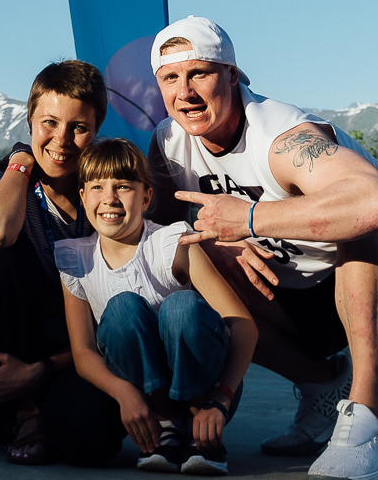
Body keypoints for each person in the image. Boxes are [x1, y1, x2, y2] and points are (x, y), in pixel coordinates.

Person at [146, 17, 378, 480]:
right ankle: (321, 384)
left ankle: (370, 421)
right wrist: (218, 243)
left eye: (199, 74)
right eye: (170, 78)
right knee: (191, 259)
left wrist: (248, 220)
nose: (185, 92)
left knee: (355, 223)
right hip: (303, 291)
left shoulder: (280, 136)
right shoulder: (168, 143)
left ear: (231, 75)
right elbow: (156, 229)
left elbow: (376, 205)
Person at [59, 139, 257, 476]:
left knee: (181, 306)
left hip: (208, 394)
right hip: (145, 399)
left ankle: (200, 431)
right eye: (97, 187)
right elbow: (84, 351)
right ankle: (166, 427)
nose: (110, 198)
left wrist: (220, 400)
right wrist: (124, 394)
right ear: (82, 196)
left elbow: (243, 325)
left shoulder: (172, 243)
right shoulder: (75, 259)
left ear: (146, 197)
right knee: (122, 309)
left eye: (123, 186)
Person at [0, 61, 126, 466]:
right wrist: (21, 159)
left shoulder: (111, 193)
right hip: (0, 358)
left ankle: (25, 419)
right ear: (30, 122)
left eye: (78, 127)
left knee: (93, 440)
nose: (62, 140)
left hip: (80, 354)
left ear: (97, 130)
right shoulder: (6, 178)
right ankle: (25, 414)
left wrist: (40, 370)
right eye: (49, 123)